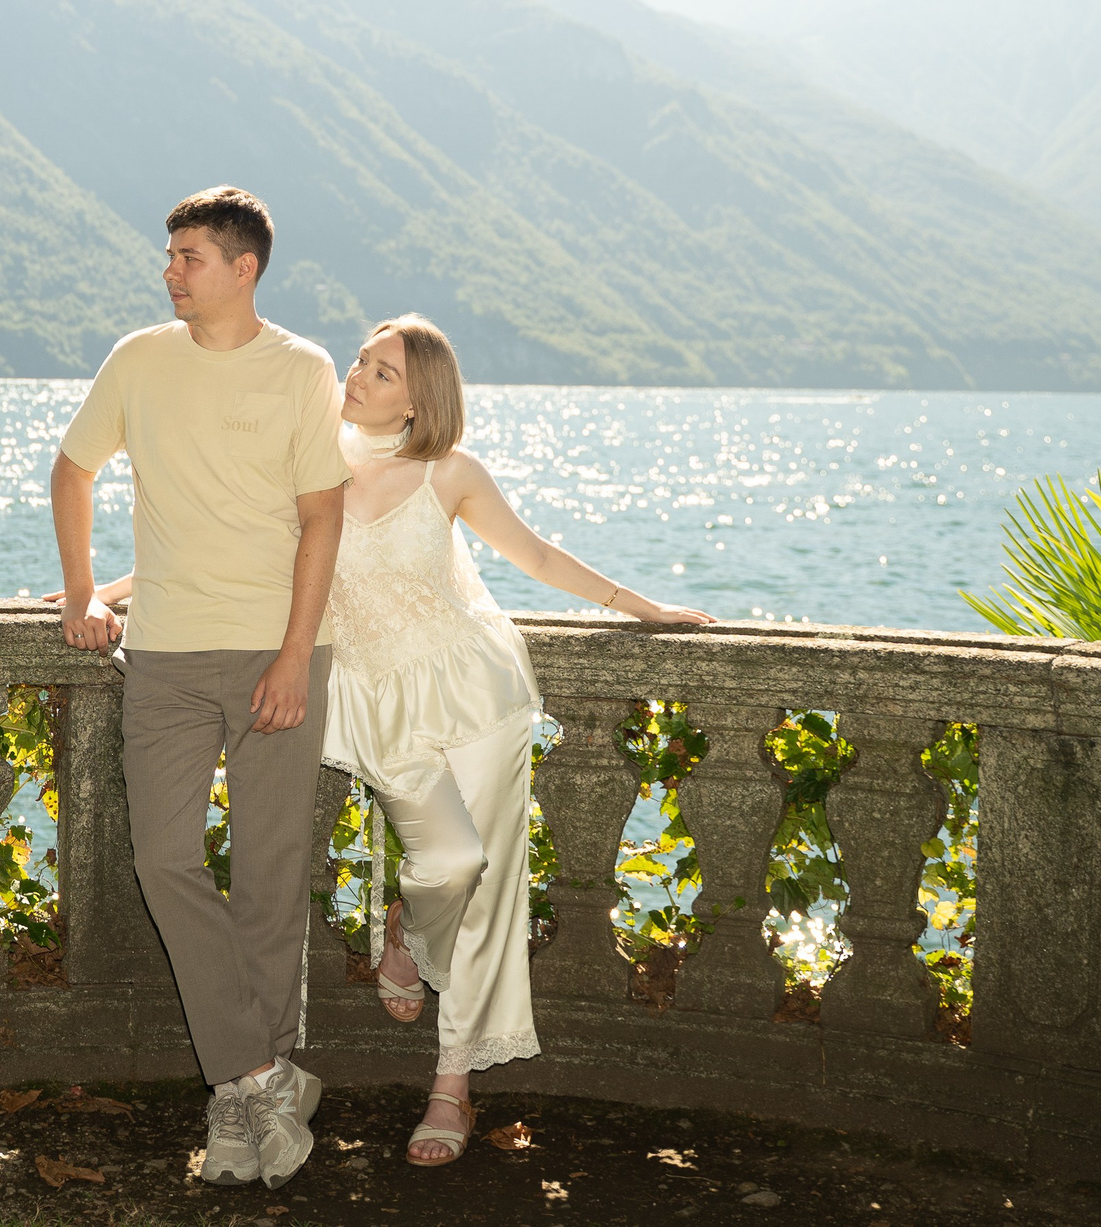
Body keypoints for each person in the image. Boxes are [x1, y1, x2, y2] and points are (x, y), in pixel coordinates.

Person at [71, 313, 713, 1167]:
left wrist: (645, 609)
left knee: (486, 884)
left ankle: (452, 1084)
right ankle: (405, 928)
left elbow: (541, 558)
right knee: (448, 864)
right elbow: (223, 550)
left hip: (475, 688)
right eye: (362, 362)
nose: (358, 376)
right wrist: (99, 591)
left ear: (420, 400)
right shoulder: (311, 453)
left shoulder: (450, 472)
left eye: (381, 372)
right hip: (377, 702)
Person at [50, 186, 348, 1191]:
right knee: (163, 856)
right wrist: (84, 593)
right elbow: (72, 468)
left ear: (241, 267)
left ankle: (234, 1109)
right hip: (167, 655)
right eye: (169, 255)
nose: (169, 271)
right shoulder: (138, 359)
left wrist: (296, 654)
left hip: (276, 649)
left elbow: (321, 519)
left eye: (187, 257)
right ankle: (259, 1074)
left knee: (268, 878)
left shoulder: (302, 370)